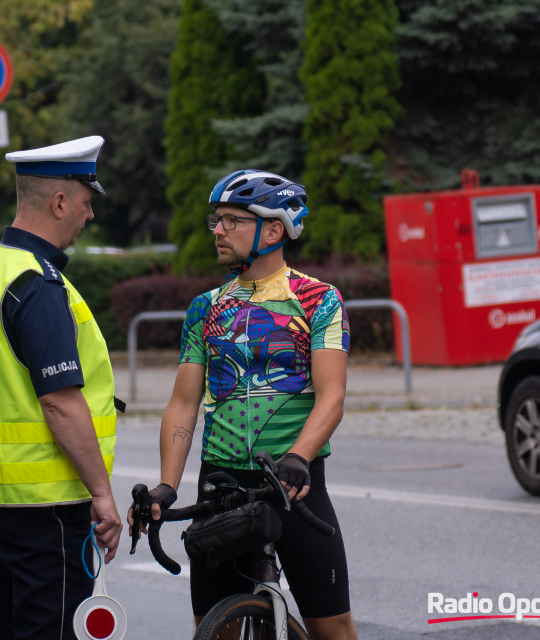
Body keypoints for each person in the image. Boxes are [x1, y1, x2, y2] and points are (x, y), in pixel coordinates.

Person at [132, 170, 358, 640]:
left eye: (231, 220)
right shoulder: (205, 308)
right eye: (216, 220)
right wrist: (167, 487)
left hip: (294, 484)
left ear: (273, 230)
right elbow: (182, 403)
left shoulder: (319, 300)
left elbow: (331, 395)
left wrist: (299, 456)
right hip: (221, 485)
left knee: (332, 628)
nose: (217, 229)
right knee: (215, 629)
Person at [0, 136, 123, 640]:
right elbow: (59, 400)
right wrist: (103, 496)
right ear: (58, 202)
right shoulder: (38, 282)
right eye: (85, 202)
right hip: (47, 502)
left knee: (11, 627)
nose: (89, 215)